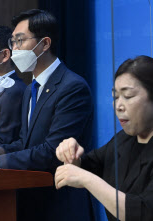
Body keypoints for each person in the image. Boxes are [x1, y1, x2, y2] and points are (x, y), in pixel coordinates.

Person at [0, 9, 94, 221]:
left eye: (20, 41)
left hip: (60, 204)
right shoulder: (31, 89)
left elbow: (53, 151)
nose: (14, 49)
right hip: (27, 200)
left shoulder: (72, 87)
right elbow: (24, 143)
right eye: (12, 42)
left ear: (45, 44)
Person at [55, 55, 153, 221]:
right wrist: (70, 153)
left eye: (128, 96)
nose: (119, 106)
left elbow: (143, 212)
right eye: (115, 97)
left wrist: (86, 179)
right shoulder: (123, 139)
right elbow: (86, 167)